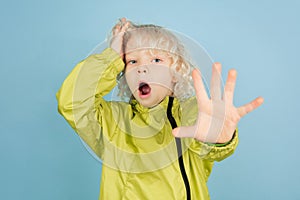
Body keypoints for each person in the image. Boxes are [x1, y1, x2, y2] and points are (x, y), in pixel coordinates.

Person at [56, 18, 263, 200]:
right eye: (132, 61)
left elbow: (203, 134)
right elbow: (72, 101)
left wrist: (217, 134)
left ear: (175, 72)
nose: (142, 67)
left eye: (156, 60)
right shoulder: (113, 122)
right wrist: (112, 57)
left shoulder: (189, 111)